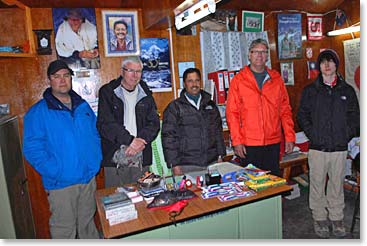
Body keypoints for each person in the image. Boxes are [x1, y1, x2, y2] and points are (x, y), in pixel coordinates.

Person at [23, 60, 102, 239]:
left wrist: (94, 161)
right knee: (63, 229)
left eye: (66, 75)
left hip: (87, 178)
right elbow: (32, 149)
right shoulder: (38, 112)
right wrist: (56, 171)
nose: (62, 80)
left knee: (88, 226)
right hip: (62, 183)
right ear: (49, 80)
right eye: (56, 76)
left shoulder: (83, 106)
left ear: (71, 78)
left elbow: (94, 134)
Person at [297, 49, 360, 238]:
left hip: (339, 148)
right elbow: (302, 115)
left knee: (336, 184)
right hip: (317, 148)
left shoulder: (347, 90)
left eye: (330, 61)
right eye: (323, 62)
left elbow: (355, 117)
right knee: (316, 184)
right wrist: (313, 134)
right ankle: (319, 217)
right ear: (319, 67)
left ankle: (336, 217)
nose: (327, 65)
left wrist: (345, 135)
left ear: (336, 65)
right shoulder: (310, 91)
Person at [226, 38, 295, 176]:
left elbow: (285, 110)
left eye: (263, 52)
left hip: (273, 142)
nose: (259, 55)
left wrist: (289, 136)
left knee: (273, 183)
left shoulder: (276, 79)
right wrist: (237, 141)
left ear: (267, 56)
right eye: (255, 52)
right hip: (249, 144)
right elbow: (232, 113)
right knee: (252, 186)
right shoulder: (238, 80)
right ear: (249, 55)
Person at [97, 56, 160, 188]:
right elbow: (106, 124)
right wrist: (130, 140)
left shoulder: (146, 94)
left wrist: (140, 141)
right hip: (115, 156)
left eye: (138, 71)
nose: (135, 75)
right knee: (117, 200)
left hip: (141, 155)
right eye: (131, 70)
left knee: (143, 199)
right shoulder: (108, 92)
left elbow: (154, 123)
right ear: (122, 71)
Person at [162, 68, 226, 176]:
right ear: (184, 84)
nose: (194, 84)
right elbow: (168, 138)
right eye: (190, 81)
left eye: (197, 80)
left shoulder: (210, 105)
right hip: (187, 165)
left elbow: (218, 132)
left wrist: (220, 155)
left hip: (212, 163)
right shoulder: (174, 107)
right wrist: (174, 165)